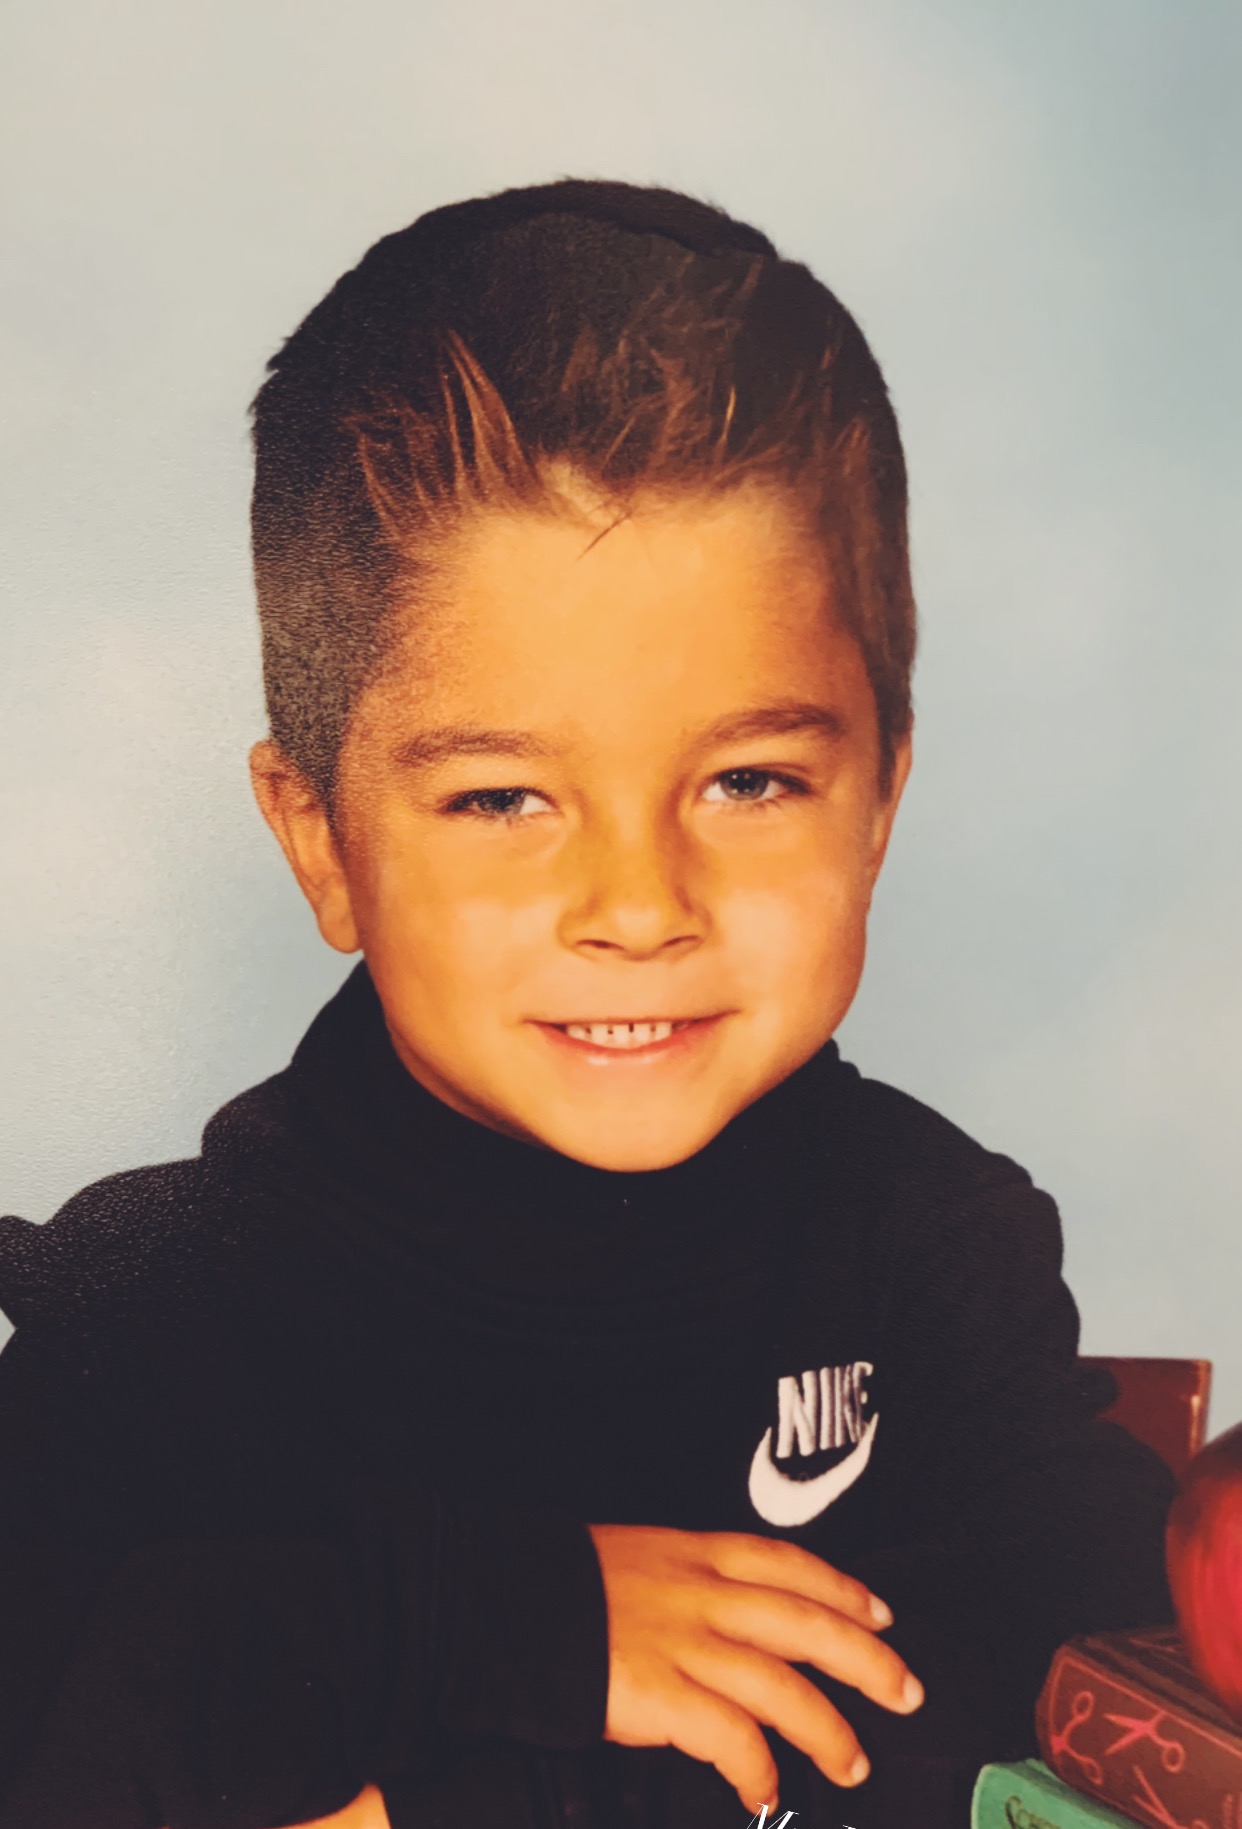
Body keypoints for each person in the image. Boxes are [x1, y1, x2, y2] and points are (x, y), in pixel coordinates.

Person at [0, 179, 1174, 1829]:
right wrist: (506, 1623)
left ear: (878, 803)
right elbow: (63, 1736)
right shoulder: (153, 1321)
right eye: (501, 798)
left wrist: (455, 1784)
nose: (638, 905)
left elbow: (1081, 1642)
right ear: (321, 840)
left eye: (749, 780)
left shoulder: (930, 1244)